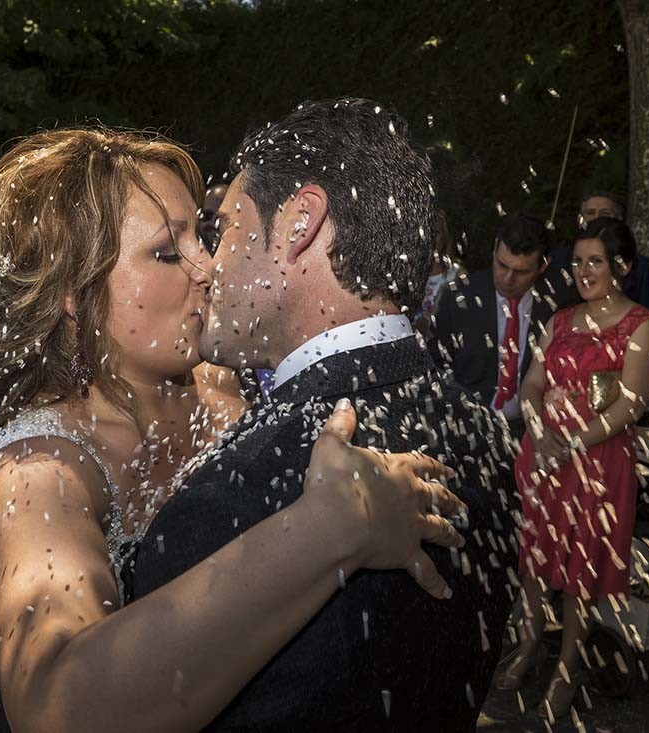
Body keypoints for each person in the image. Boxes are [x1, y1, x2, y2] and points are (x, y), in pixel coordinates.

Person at [0, 126, 477, 733]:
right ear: (74, 291)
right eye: (168, 253)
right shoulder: (42, 468)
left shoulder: (224, 387)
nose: (207, 267)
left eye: (201, 237)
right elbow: (52, 706)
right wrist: (333, 525)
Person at [128, 99, 518, 731]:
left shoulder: (239, 496)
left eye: (224, 227)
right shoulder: (481, 429)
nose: (206, 265)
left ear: (299, 222)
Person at [504, 217, 649, 720]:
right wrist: (537, 427)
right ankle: (529, 648)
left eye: (595, 260)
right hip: (545, 454)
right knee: (534, 561)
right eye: (577, 261)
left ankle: (567, 673)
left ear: (621, 265)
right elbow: (531, 384)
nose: (583, 270)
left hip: (597, 462)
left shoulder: (643, 325)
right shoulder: (560, 319)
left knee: (581, 571)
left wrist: (571, 441)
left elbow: (632, 404)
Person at [430, 212, 559, 437]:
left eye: (521, 272)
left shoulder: (554, 306)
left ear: (543, 266)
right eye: (502, 265)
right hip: (467, 428)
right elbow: (435, 365)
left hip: (530, 433)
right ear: (494, 248)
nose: (507, 278)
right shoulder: (459, 296)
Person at [546, 191, 649, 311]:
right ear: (580, 220)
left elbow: (647, 310)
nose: (596, 218)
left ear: (618, 219)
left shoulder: (640, 264)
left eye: (605, 213)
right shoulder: (557, 258)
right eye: (590, 212)